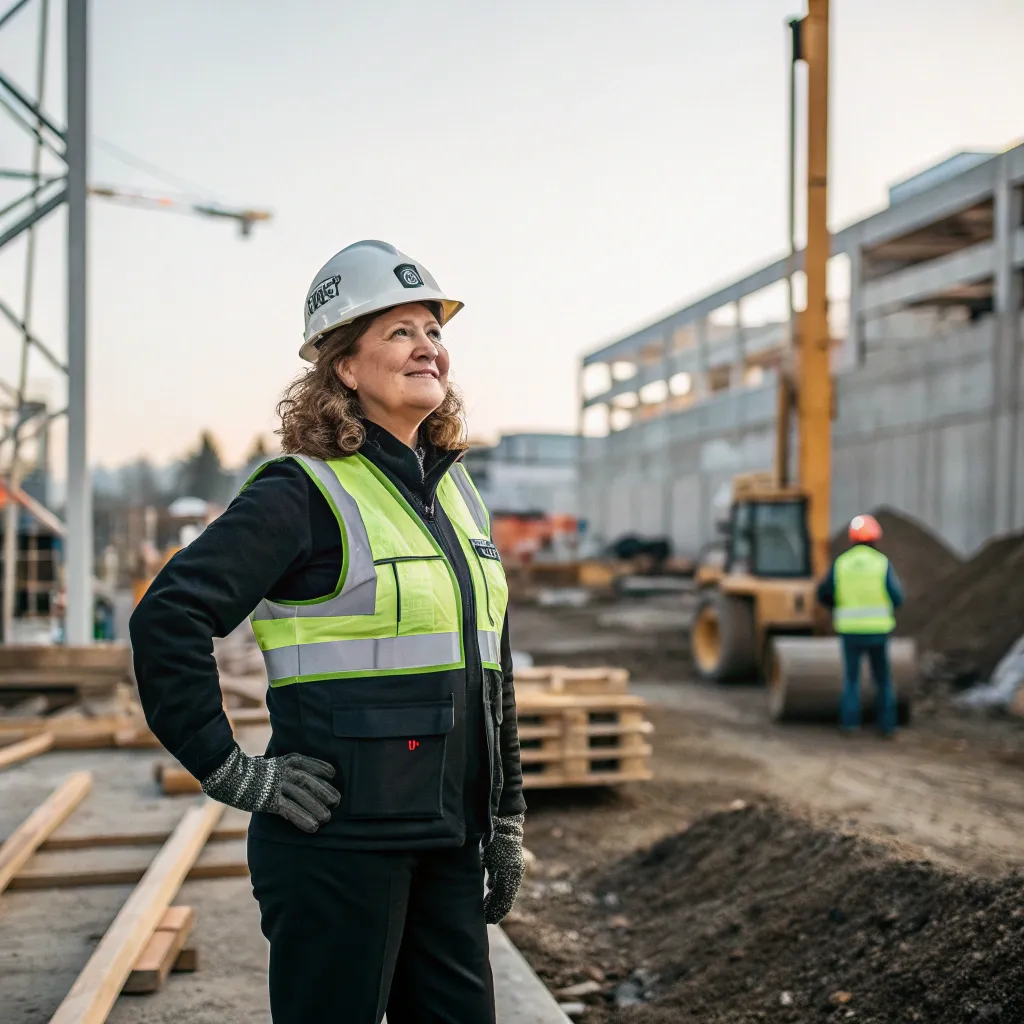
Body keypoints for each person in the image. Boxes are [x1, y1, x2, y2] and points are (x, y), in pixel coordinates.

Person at [130, 240, 527, 1024]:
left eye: (434, 331)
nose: (429, 348)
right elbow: (167, 615)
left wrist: (506, 811)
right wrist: (227, 768)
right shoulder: (302, 493)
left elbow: (493, 664)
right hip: (337, 848)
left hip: (447, 841)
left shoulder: (458, 497)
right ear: (344, 366)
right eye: (400, 332)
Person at [815, 514, 904, 736]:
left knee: (852, 679)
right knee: (883, 679)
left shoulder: (842, 563)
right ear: (875, 538)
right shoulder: (882, 563)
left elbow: (824, 593)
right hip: (878, 631)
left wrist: (836, 606)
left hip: (850, 631)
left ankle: (850, 724)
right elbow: (897, 596)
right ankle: (887, 726)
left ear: (852, 538)